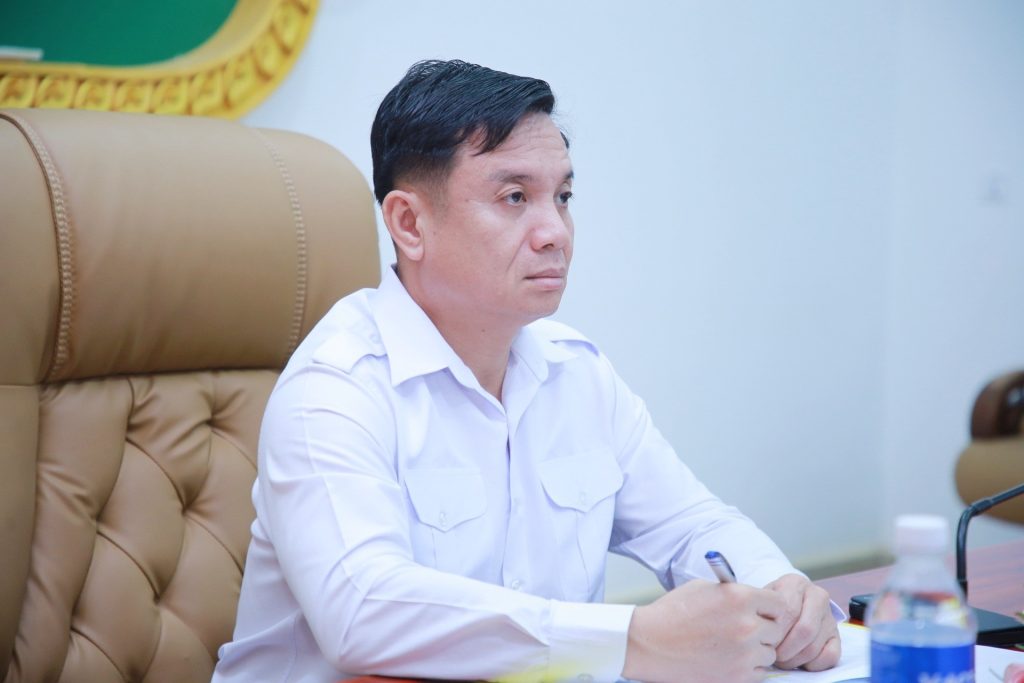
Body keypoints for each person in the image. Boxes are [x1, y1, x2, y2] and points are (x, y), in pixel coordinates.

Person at [212, 59, 841, 683]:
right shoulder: (335, 388)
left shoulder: (576, 373)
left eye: (562, 198)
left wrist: (780, 594)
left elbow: (691, 526)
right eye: (514, 198)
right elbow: (364, 611)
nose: (555, 233)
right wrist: (632, 641)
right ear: (409, 223)